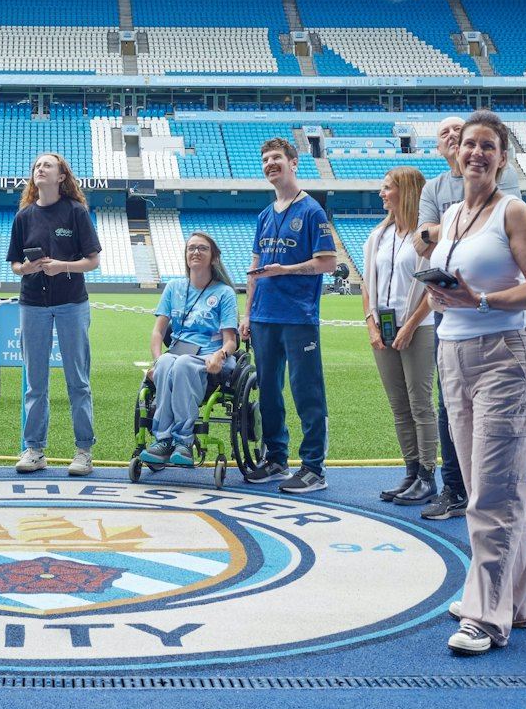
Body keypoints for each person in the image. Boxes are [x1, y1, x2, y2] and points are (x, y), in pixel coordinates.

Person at [422, 110, 526, 656]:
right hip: (453, 354)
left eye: (488, 146)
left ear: (502, 159)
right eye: (469, 145)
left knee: (496, 492)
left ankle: (485, 615)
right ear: (456, 155)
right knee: (486, 488)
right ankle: (514, 601)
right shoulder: (452, 214)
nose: (475, 153)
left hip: (506, 356)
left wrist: (480, 300)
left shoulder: (514, 212)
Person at [414, 114, 522, 520]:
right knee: (451, 407)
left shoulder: (505, 202)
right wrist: (440, 232)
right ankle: (456, 490)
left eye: (480, 143)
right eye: (453, 138)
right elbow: (420, 239)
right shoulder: (440, 192)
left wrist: (477, 299)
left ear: (501, 158)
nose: (465, 145)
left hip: (498, 332)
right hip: (452, 324)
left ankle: (501, 509)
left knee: (496, 436)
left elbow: (434, 234)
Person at [239, 137, 337, 494]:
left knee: (306, 391)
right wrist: (247, 313)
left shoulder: (311, 211)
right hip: (264, 316)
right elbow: (254, 268)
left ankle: (313, 468)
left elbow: (329, 262)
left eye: (276, 158)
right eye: (265, 159)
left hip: (298, 316)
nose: (270, 164)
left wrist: (285, 270)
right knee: (269, 392)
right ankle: (276, 459)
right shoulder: (265, 215)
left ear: (293, 162)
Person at [7, 153, 103, 477]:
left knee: (78, 380)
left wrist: (62, 266)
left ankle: (83, 450)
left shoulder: (76, 212)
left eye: (47, 165)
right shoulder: (24, 217)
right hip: (32, 303)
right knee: (35, 382)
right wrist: (29, 267)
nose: (40, 169)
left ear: (62, 175)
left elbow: (93, 261)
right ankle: (34, 449)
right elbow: (16, 265)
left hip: (71, 303)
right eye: (36, 166)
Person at [361, 167, 436, 505]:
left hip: (418, 328)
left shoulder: (424, 236)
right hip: (384, 329)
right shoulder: (379, 235)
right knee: (399, 406)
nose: (382, 193)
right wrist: (371, 324)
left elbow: (433, 286)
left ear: (406, 191)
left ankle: (427, 475)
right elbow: (366, 283)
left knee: (420, 403)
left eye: (387, 187)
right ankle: (410, 471)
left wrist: (408, 327)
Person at [138, 232, 239, 470]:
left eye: (202, 248)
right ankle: (162, 440)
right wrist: (156, 360)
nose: (195, 252)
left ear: (213, 257)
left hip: (209, 354)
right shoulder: (174, 287)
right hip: (177, 352)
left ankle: (184, 441)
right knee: (165, 363)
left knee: (182, 363)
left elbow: (230, 341)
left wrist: (219, 356)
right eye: (191, 248)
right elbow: (157, 333)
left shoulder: (224, 293)